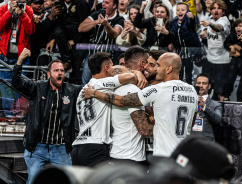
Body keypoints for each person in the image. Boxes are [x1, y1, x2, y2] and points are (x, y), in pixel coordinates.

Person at [83, 53, 198, 157]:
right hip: (183, 155)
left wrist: (95, 93)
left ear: (168, 69)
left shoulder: (159, 89)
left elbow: (121, 101)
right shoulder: (192, 91)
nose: (156, 69)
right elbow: (191, 122)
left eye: (158, 65)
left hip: (164, 155)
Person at [12, 48, 82, 184]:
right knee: (32, 179)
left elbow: (90, 87)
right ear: (49, 74)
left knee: (69, 180)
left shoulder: (71, 90)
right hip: (37, 147)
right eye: (56, 71)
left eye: (62, 70)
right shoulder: (38, 88)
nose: (60, 73)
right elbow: (17, 83)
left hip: (61, 147)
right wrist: (20, 60)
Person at [71, 52, 145, 167]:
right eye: (112, 66)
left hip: (78, 147)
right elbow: (131, 77)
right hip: (95, 147)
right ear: (106, 68)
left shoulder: (84, 89)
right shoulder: (102, 84)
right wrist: (138, 72)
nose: (114, 69)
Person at [109, 47, 153, 165]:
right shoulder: (132, 89)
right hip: (130, 156)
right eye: (148, 63)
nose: (149, 66)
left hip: (118, 151)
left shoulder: (116, 85)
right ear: (142, 63)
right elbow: (144, 130)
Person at [0, 0, 35, 118]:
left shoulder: (28, 10)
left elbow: (30, 30)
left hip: (22, 56)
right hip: (5, 55)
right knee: (5, 86)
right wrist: (10, 11)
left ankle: (20, 116)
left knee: (21, 85)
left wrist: (23, 14)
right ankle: (9, 115)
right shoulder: (4, 8)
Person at [78, 0, 124, 85]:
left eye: (107, 2)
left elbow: (114, 34)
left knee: (104, 84)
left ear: (114, 6)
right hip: (91, 56)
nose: (103, 4)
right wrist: (96, 22)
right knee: (86, 83)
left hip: (107, 58)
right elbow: (81, 28)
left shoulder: (119, 19)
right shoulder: (96, 14)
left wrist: (107, 25)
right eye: (103, 2)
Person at [199, 0, 231, 101]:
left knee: (220, 92)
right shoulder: (210, 19)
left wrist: (209, 24)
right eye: (213, 8)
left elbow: (219, 27)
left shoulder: (224, 20)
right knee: (205, 89)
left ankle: (222, 114)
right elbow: (209, 30)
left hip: (222, 61)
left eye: (219, 8)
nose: (216, 10)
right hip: (210, 59)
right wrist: (204, 33)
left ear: (223, 11)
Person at [222, 18, 242, 102]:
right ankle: (226, 95)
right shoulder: (232, 35)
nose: (238, 28)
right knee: (230, 79)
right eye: (236, 26)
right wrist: (232, 46)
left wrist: (239, 53)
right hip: (234, 61)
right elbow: (226, 43)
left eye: (240, 26)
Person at [171, 2, 200, 84]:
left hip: (189, 51)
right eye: (178, 10)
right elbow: (173, 34)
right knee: (179, 70)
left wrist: (192, 18)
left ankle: (189, 85)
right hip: (179, 50)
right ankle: (179, 85)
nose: (180, 12)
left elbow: (192, 23)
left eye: (183, 10)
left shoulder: (188, 20)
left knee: (188, 71)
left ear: (187, 12)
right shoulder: (174, 21)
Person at [191, 73, 222, 141]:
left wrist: (204, 106)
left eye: (204, 83)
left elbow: (217, 119)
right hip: (189, 140)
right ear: (195, 85)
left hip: (206, 142)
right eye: (198, 83)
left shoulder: (216, 105)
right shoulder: (189, 102)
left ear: (209, 86)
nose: (201, 86)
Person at [29, 0, 60, 65]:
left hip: (44, 53)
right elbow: (39, 31)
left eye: (40, 3)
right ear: (30, 4)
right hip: (29, 53)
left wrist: (53, 39)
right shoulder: (27, 15)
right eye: (36, 3)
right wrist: (51, 16)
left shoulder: (46, 14)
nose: (39, 5)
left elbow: (55, 29)